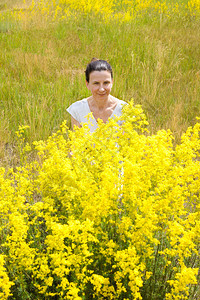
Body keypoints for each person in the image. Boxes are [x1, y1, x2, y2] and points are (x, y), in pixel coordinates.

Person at [67, 58, 127, 132]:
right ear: (87, 84)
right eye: (96, 83)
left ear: (112, 82)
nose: (101, 89)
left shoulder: (124, 110)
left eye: (106, 83)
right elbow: (76, 141)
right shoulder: (77, 110)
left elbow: (128, 141)